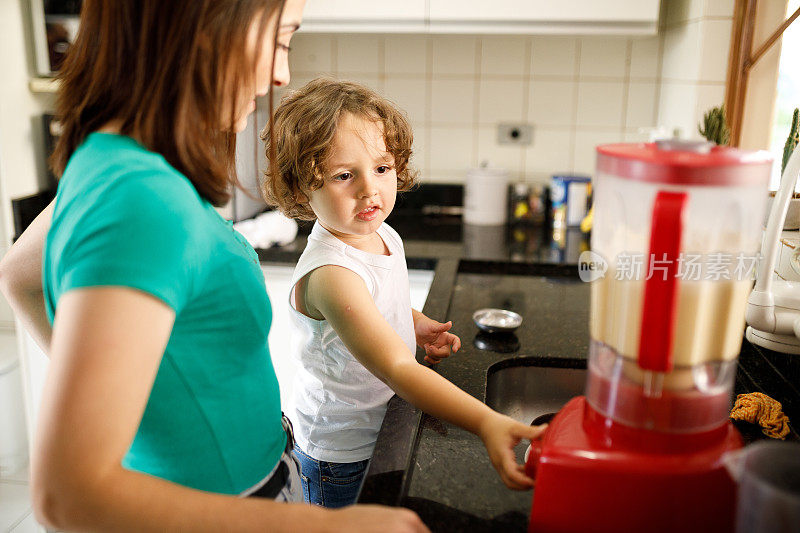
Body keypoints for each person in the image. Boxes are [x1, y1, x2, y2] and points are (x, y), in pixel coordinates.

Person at [0, 1, 428, 531]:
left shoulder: (116, 156)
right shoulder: (142, 196)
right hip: (229, 507)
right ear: (204, 25)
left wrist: (139, 406)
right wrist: (333, 526)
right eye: (279, 40)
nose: (281, 72)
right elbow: (67, 496)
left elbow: (19, 271)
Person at [262, 78, 546, 508]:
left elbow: (373, 307)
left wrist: (413, 323)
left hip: (383, 424)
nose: (368, 189)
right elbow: (396, 366)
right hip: (342, 456)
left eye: (381, 168)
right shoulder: (332, 274)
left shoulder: (380, 232)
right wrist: (487, 423)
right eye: (344, 175)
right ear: (303, 188)